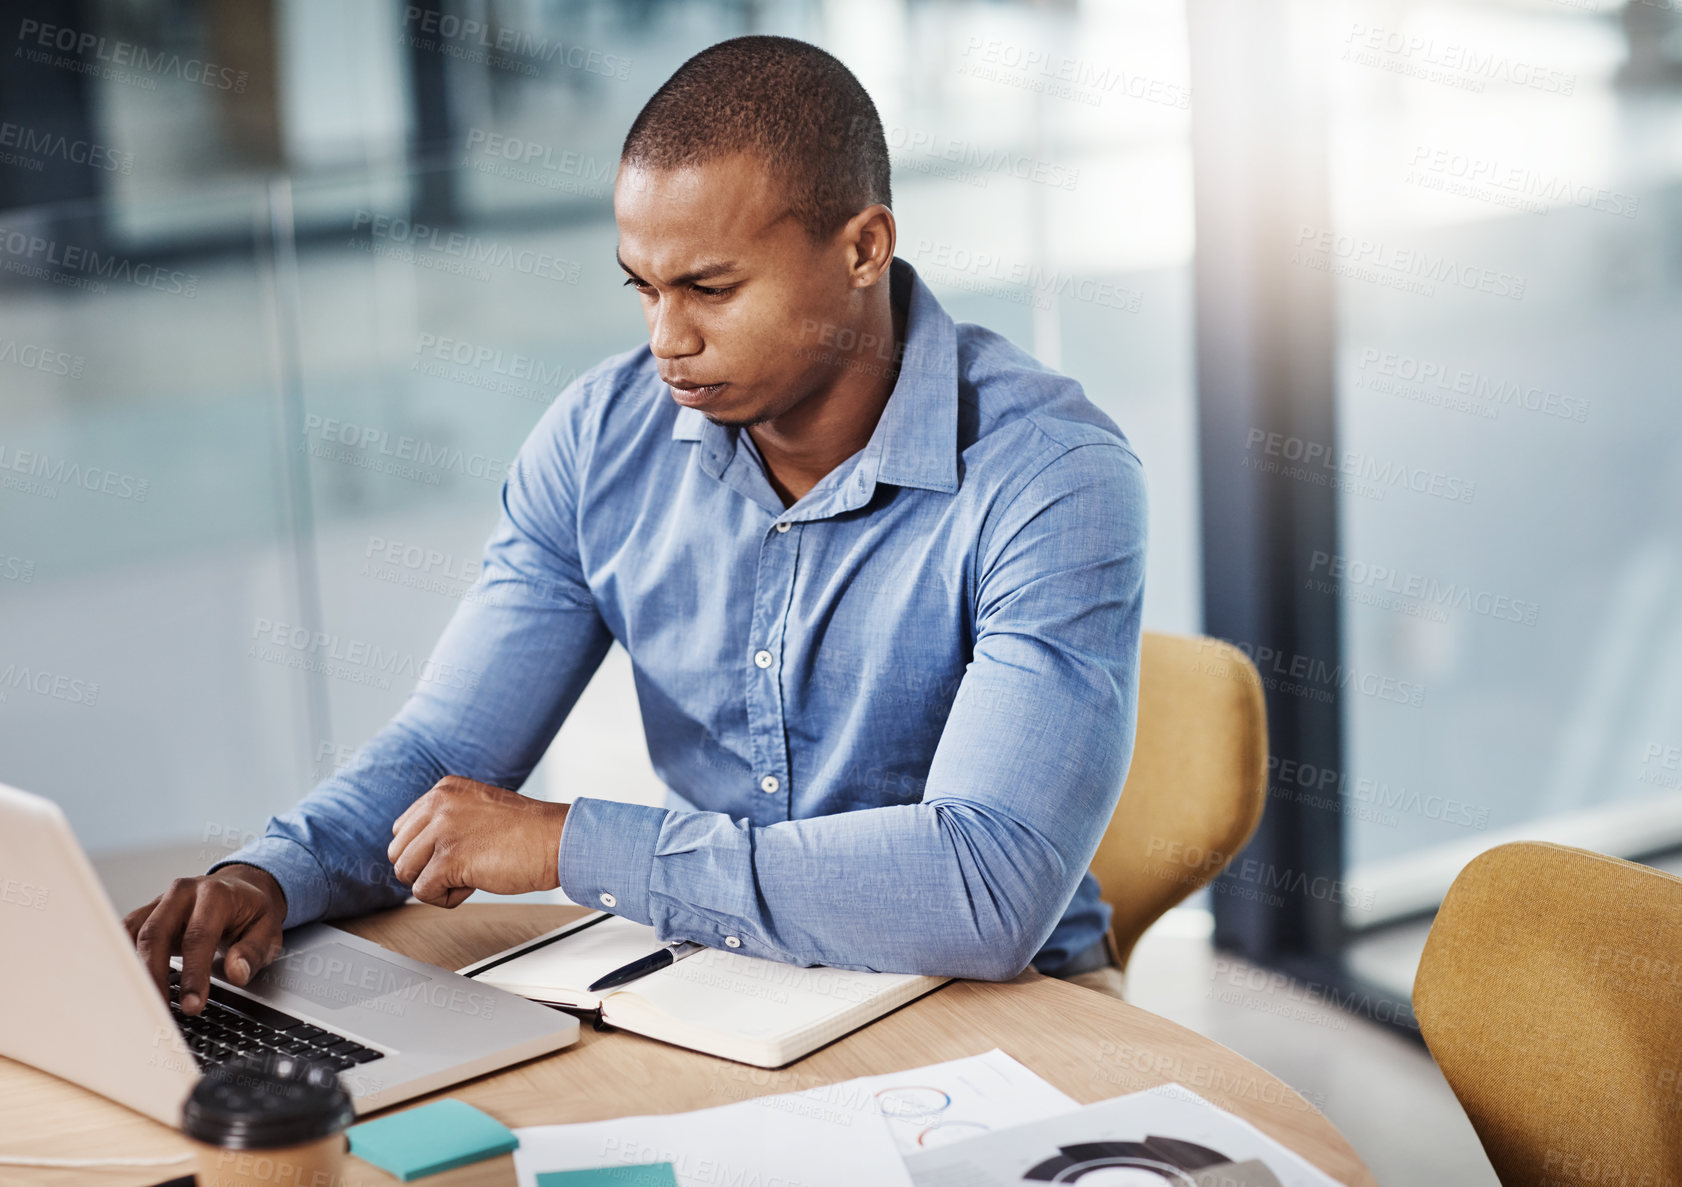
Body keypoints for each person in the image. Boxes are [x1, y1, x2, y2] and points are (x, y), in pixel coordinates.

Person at [126, 34, 1146, 1012]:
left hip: (1004, 998)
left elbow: (983, 885)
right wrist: (268, 873)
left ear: (863, 248)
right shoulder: (599, 440)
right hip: (723, 982)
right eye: (644, 287)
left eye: (708, 287)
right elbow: (448, 747)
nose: (667, 340)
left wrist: (575, 844)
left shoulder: (1052, 476)